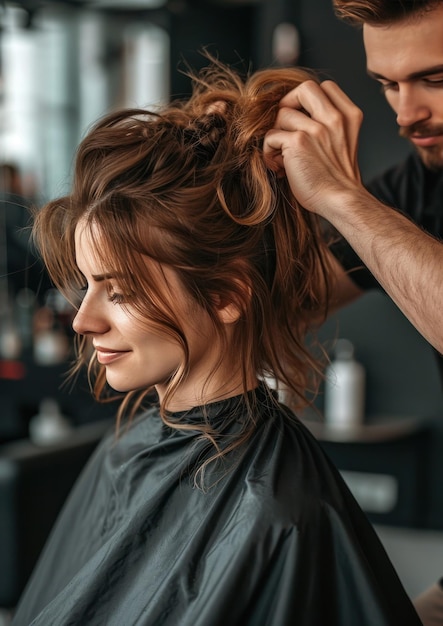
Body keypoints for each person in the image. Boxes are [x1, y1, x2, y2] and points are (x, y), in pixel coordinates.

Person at [10, 59, 422, 626]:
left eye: (122, 291)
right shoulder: (133, 446)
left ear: (228, 294)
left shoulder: (275, 513)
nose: (83, 322)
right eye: (87, 286)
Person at [263, 1, 443, 624]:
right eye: (388, 85)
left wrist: (342, 196)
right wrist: (245, 186)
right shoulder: (417, 189)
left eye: (437, 79)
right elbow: (281, 303)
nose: (407, 113)